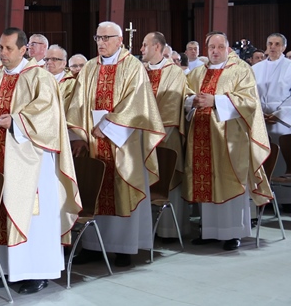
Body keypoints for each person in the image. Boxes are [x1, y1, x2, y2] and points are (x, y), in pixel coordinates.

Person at [0, 27, 81, 294]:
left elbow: (48, 114)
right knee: (1, 209)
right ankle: (7, 269)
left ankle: (37, 271)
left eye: (8, 48)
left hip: (33, 161)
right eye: (1, 47)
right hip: (0, 151)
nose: (3, 53)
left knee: (34, 213)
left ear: (24, 49)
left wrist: (15, 122)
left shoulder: (40, 77)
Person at [66, 21, 165, 268]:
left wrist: (108, 126)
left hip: (124, 143)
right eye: (98, 38)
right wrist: (79, 136)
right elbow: (78, 104)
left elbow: (138, 103)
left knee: (122, 189)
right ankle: (93, 246)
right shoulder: (90, 67)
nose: (101, 43)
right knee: (95, 190)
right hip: (94, 142)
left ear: (120, 40)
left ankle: (124, 248)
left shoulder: (133, 67)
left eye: (106, 38)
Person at [184, 31, 272, 251]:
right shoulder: (197, 73)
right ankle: (210, 231)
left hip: (231, 139)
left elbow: (249, 102)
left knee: (230, 182)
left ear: (228, 48)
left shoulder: (241, 70)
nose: (215, 51)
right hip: (202, 137)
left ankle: (233, 233)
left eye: (220, 47)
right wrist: (192, 101)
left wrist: (216, 101)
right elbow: (184, 95)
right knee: (208, 182)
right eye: (211, 47)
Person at [140, 32, 191, 239]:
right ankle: (145, 231)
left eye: (145, 45)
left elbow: (171, 106)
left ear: (157, 47)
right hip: (140, 139)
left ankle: (169, 231)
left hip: (166, 136)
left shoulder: (174, 72)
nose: (141, 49)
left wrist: (152, 136)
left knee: (168, 181)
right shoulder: (140, 70)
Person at [251, 34, 291, 208]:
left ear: (284, 47)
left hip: (284, 120)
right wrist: (259, 112)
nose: (273, 47)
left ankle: (285, 201)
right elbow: (250, 93)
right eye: (270, 43)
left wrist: (280, 114)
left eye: (277, 44)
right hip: (260, 118)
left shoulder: (289, 66)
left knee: (282, 151)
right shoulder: (256, 68)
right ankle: (262, 197)